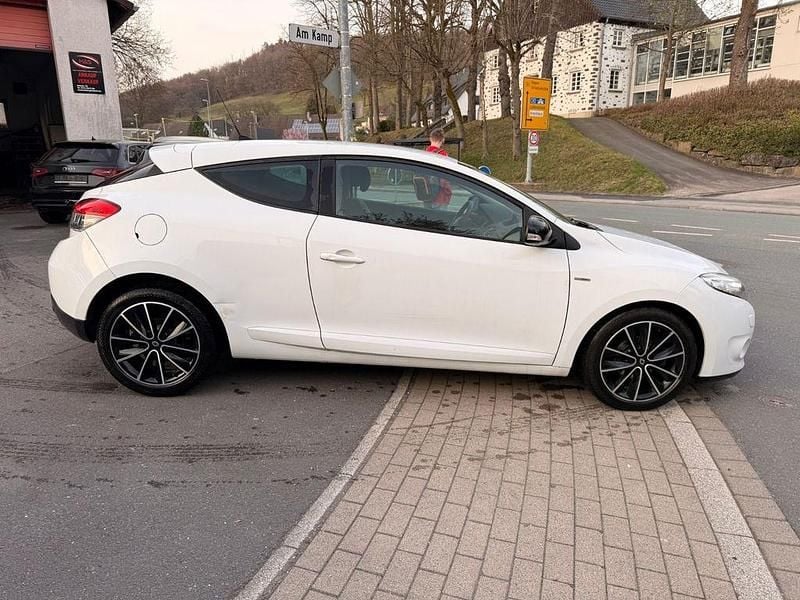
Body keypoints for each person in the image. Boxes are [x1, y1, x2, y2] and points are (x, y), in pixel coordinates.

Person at [423, 128, 452, 208]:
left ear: (430, 139)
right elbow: (446, 177)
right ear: (442, 140)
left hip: (427, 194)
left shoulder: (424, 153)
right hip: (440, 195)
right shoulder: (442, 154)